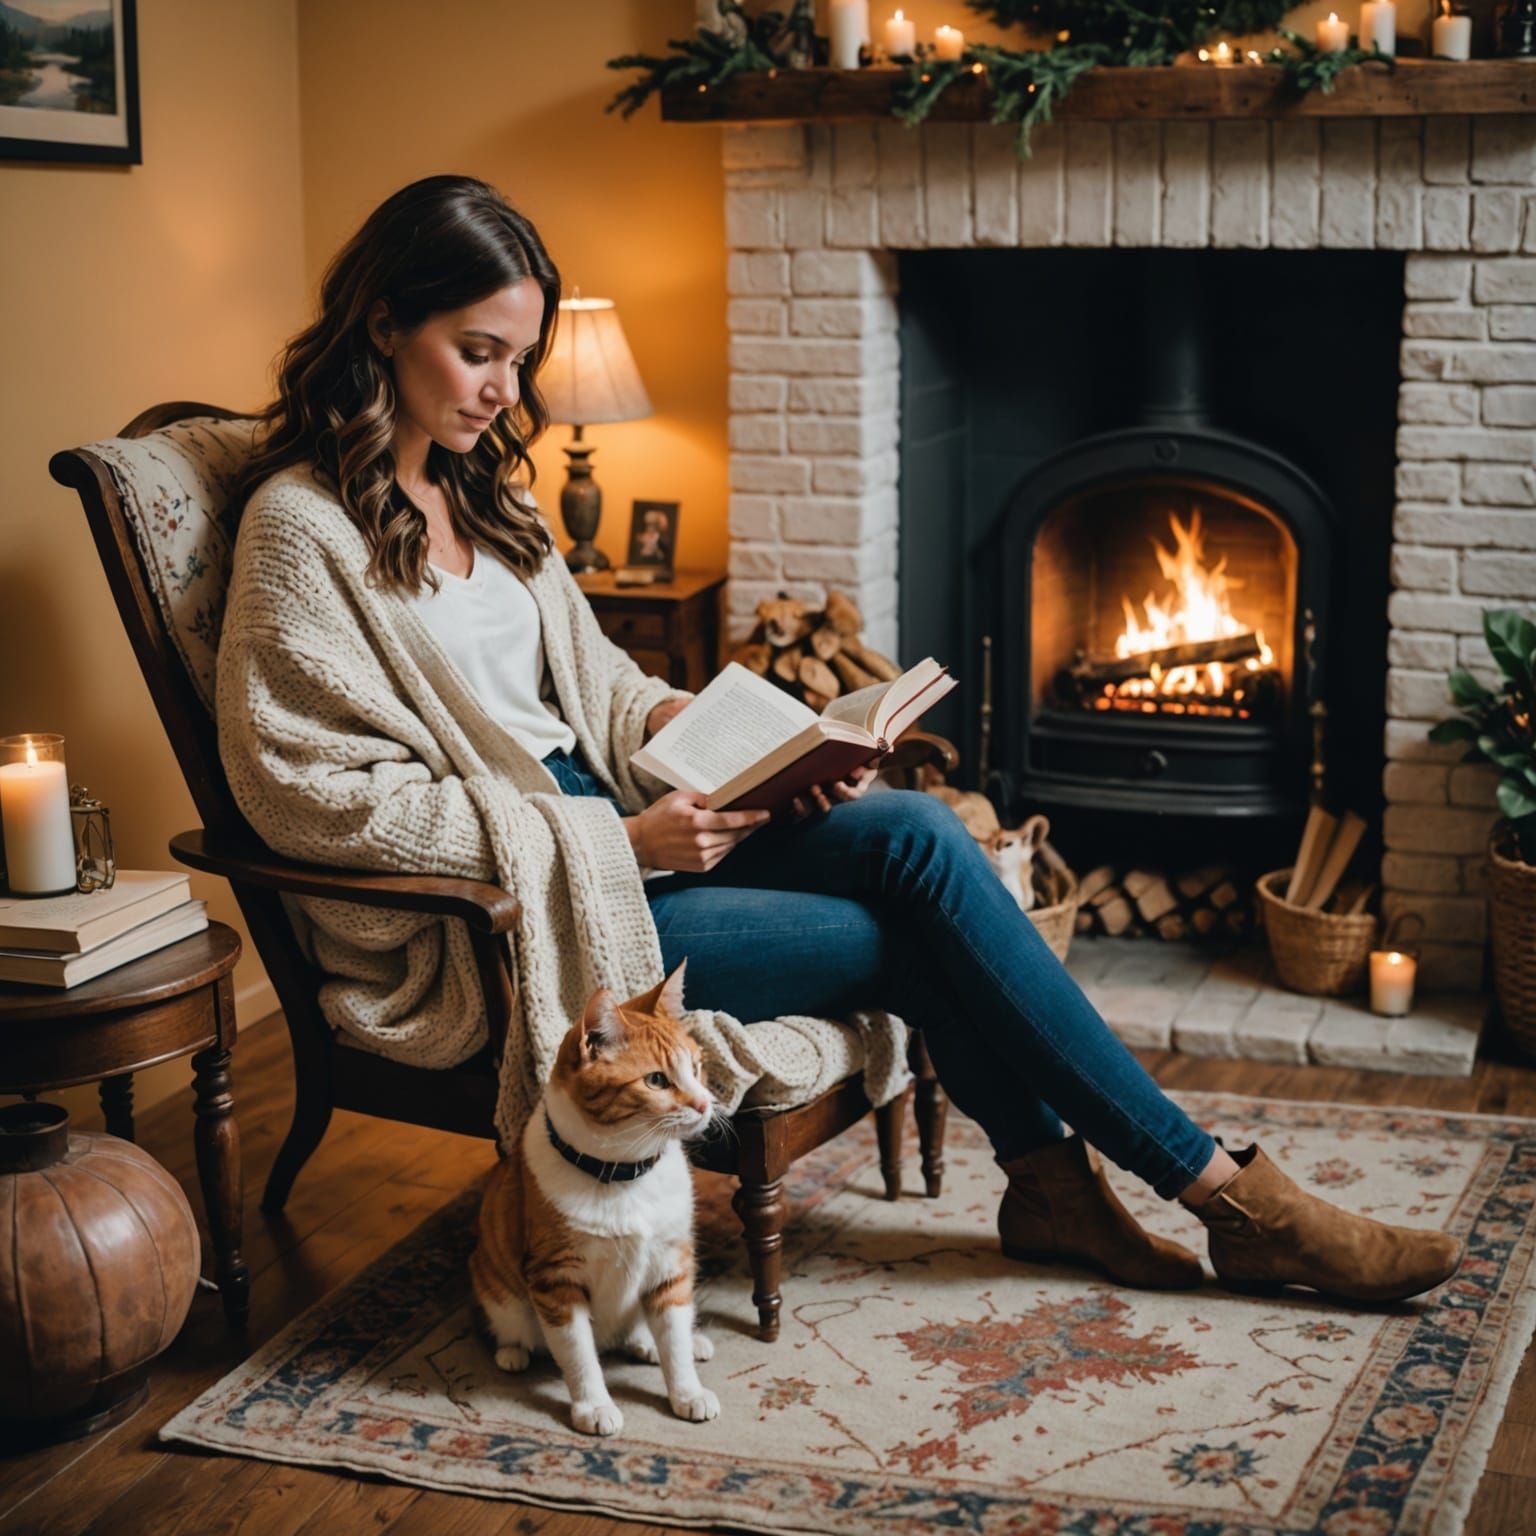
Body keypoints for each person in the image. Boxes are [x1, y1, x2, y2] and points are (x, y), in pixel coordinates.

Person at [219, 175, 1461, 1306]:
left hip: (630, 832)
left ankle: (1123, 1192)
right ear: (382, 324)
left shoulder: (485, 489)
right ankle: (1194, 1197)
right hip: (538, 903)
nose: (503, 392)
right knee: (909, 936)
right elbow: (310, 793)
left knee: (917, 831)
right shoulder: (299, 531)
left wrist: (738, 738)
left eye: (518, 359)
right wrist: (610, 836)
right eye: (475, 352)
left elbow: (594, 680)